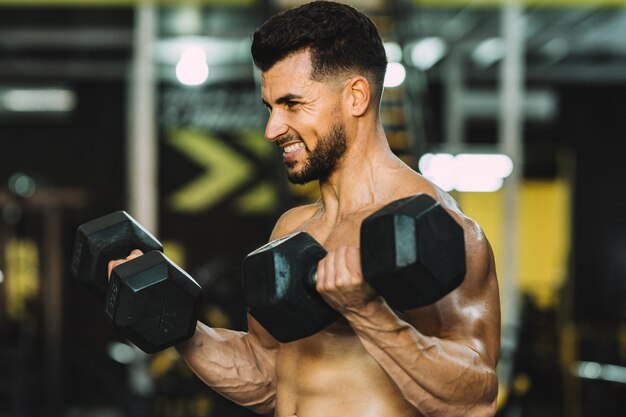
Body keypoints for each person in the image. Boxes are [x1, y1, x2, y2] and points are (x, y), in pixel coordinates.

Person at [110, 2, 500, 416]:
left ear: (356, 96)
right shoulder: (291, 229)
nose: (271, 129)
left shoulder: (437, 229)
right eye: (270, 107)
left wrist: (370, 315)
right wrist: (176, 325)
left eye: (293, 104)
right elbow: (268, 376)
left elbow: (475, 400)